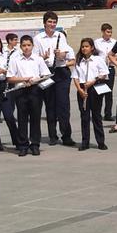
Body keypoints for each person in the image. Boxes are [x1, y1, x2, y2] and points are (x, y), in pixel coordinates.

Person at [34, 12, 75, 147]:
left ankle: (66, 135)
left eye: (54, 22)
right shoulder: (38, 38)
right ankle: (52, 135)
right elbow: (35, 58)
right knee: (50, 105)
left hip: (61, 71)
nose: (52, 25)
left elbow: (65, 54)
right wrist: (43, 58)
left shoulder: (60, 35)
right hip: (47, 72)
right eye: (50, 22)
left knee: (63, 105)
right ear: (44, 23)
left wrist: (61, 55)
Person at [7, 35, 50, 156]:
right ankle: (23, 145)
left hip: (35, 90)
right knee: (22, 118)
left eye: (28, 45)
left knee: (35, 118)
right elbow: (10, 78)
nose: (26, 48)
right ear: (20, 47)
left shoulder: (38, 59)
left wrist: (36, 80)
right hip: (21, 90)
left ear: (32, 46)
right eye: (24, 45)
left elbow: (46, 75)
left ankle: (35, 144)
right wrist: (22, 79)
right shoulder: (15, 60)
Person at [72, 37, 109, 151]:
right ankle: (85, 142)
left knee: (96, 116)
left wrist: (94, 80)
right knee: (84, 116)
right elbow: (75, 77)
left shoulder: (98, 59)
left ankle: (101, 142)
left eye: (87, 46)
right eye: (82, 46)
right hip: (83, 89)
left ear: (92, 48)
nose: (84, 48)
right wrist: (80, 89)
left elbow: (104, 73)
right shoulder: (79, 61)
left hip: (94, 87)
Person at [94, 24, 117, 123]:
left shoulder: (114, 42)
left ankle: (108, 114)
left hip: (110, 68)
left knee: (109, 92)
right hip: (99, 69)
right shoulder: (97, 42)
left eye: (111, 32)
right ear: (103, 32)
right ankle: (97, 113)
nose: (109, 34)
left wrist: (114, 59)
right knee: (99, 91)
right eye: (107, 32)